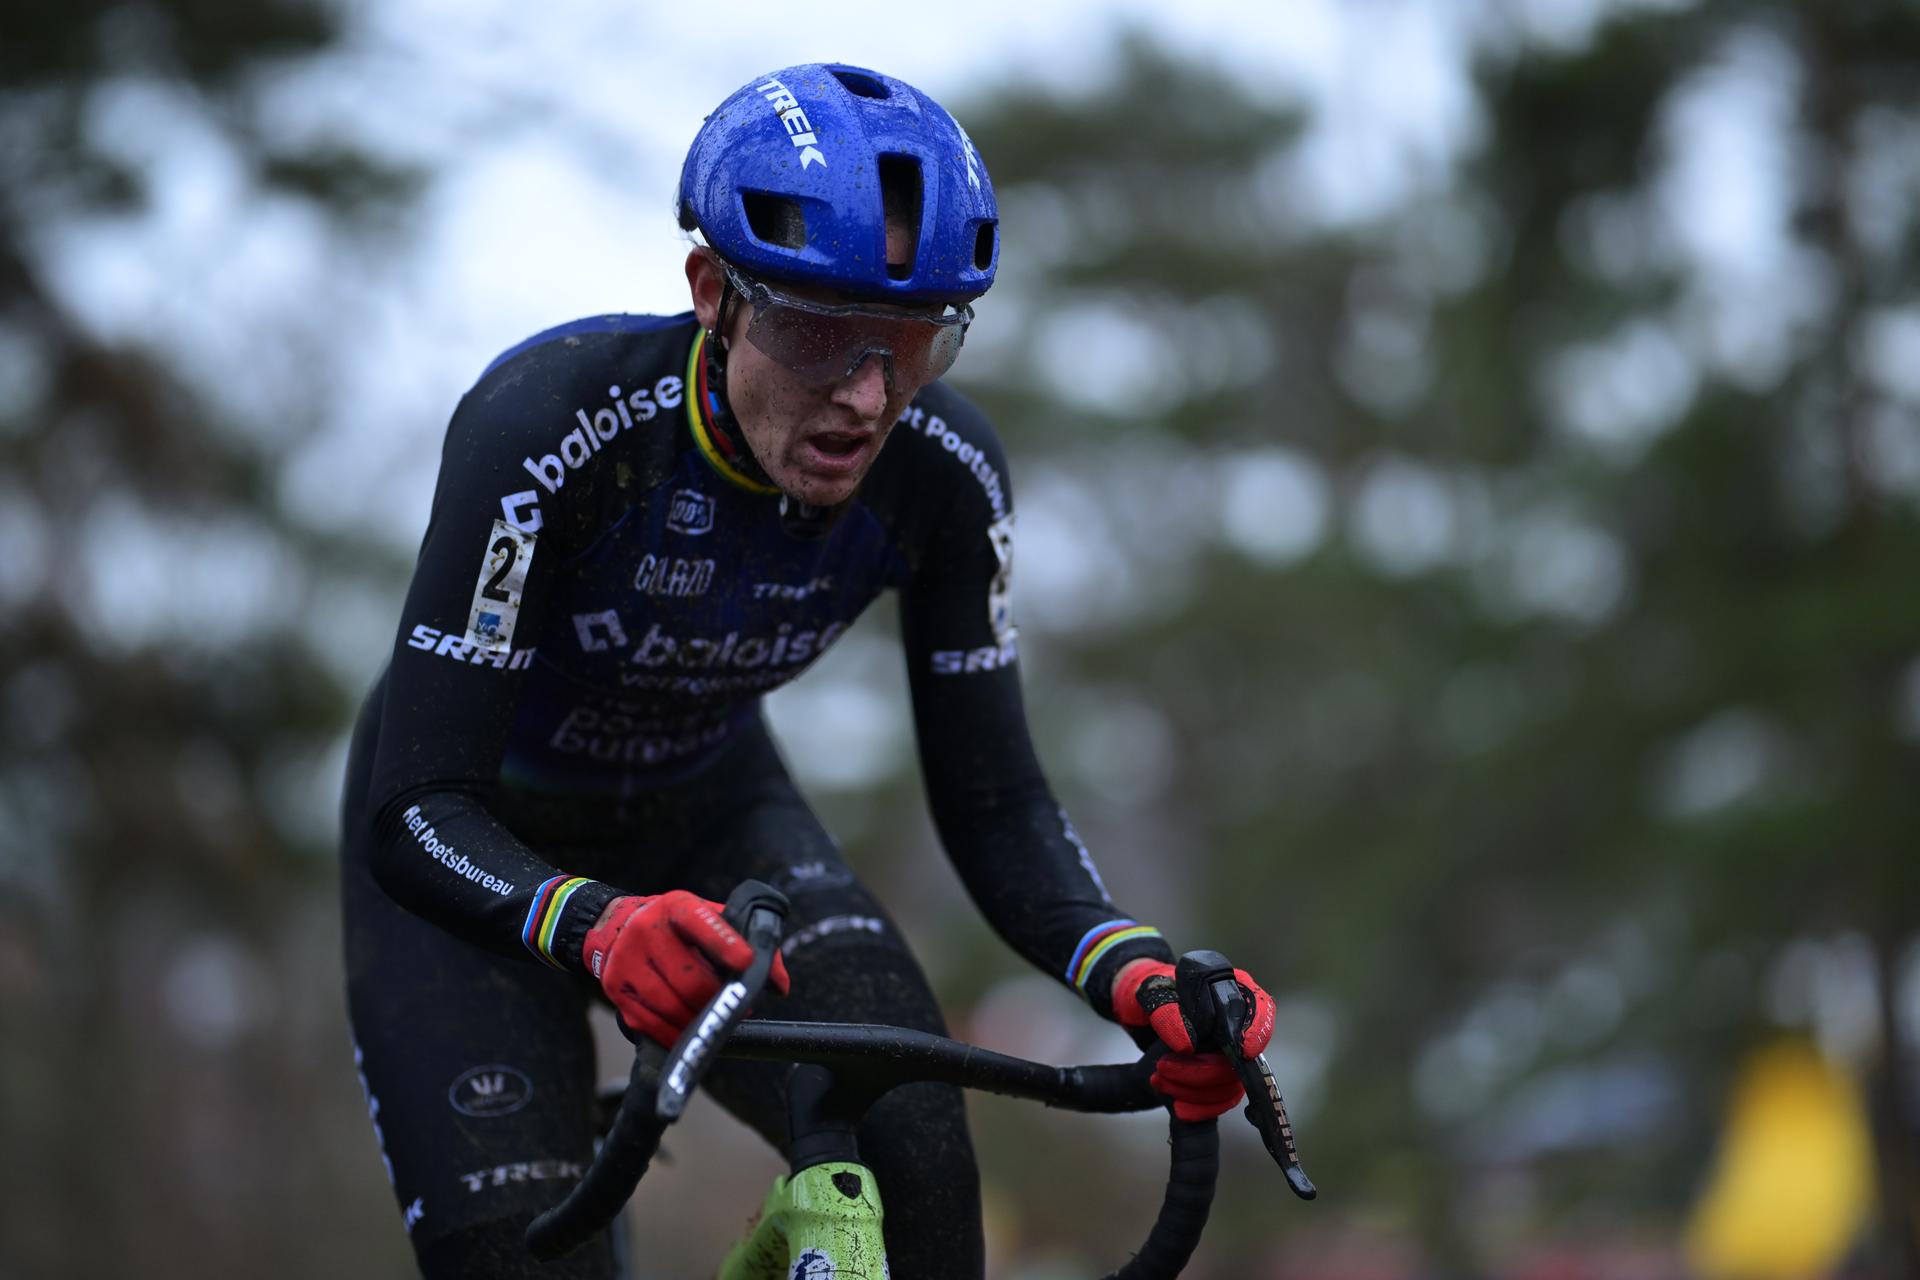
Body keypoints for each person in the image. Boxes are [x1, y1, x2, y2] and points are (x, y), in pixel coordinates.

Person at [339, 62, 1276, 1279]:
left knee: (917, 1150)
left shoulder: (945, 476)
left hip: (707, 817)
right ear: (712, 292)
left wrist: (1128, 967)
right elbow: (417, 807)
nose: (867, 396)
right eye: (822, 331)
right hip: (481, 844)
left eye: (916, 339)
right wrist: (593, 920)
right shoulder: (548, 428)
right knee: (515, 1255)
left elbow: (996, 801)